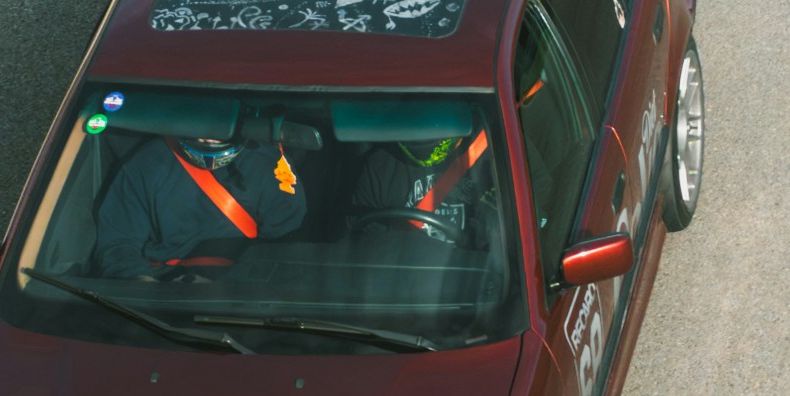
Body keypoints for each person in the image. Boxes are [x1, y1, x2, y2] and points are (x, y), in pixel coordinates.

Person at [93, 117, 310, 277]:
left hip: (241, 290)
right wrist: (145, 285)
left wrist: (236, 284)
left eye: (217, 125)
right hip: (163, 286)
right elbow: (118, 242)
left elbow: (287, 247)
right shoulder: (147, 163)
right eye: (200, 124)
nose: (208, 134)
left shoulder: (270, 165)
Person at [350, 128, 495, 248]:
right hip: (400, 275)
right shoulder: (380, 166)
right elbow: (363, 245)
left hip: (467, 276)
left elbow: (503, 244)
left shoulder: (488, 156)